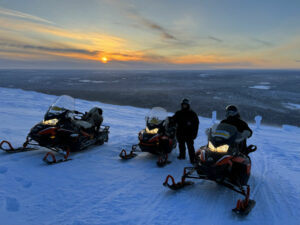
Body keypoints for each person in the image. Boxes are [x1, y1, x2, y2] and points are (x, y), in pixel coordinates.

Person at [173, 99, 199, 163]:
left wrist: (194, 133)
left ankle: (192, 159)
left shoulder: (192, 114)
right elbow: (173, 119)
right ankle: (182, 156)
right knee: (181, 145)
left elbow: (196, 124)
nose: (184, 106)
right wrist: (168, 119)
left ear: (188, 105)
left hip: (189, 133)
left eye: (185, 105)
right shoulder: (178, 113)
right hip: (180, 132)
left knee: (190, 147)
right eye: (183, 105)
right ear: (182, 105)